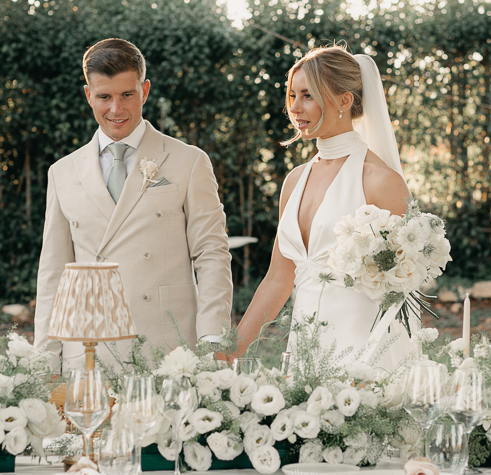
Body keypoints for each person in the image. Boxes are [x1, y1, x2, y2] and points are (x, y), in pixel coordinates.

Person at [34, 37, 232, 361]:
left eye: (127, 94)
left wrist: (212, 335)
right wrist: (44, 355)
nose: (116, 109)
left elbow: (211, 253)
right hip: (88, 350)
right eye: (104, 97)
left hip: (168, 351)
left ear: (145, 90)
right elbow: (54, 271)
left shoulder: (189, 161)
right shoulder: (62, 172)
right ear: (88, 96)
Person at [234, 45, 412, 369]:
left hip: (364, 356)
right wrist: (232, 349)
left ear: (345, 100)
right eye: (292, 96)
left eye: (308, 96)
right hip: (304, 352)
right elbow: (278, 279)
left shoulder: (380, 181)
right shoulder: (294, 181)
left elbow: (405, 282)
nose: (295, 108)